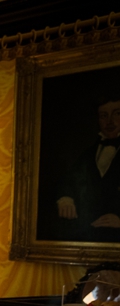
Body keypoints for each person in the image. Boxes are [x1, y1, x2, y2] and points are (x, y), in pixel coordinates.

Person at [54, 94, 120, 242]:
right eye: (103, 115)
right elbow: (68, 180)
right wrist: (66, 199)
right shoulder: (88, 153)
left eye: (117, 113)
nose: (109, 121)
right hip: (87, 235)